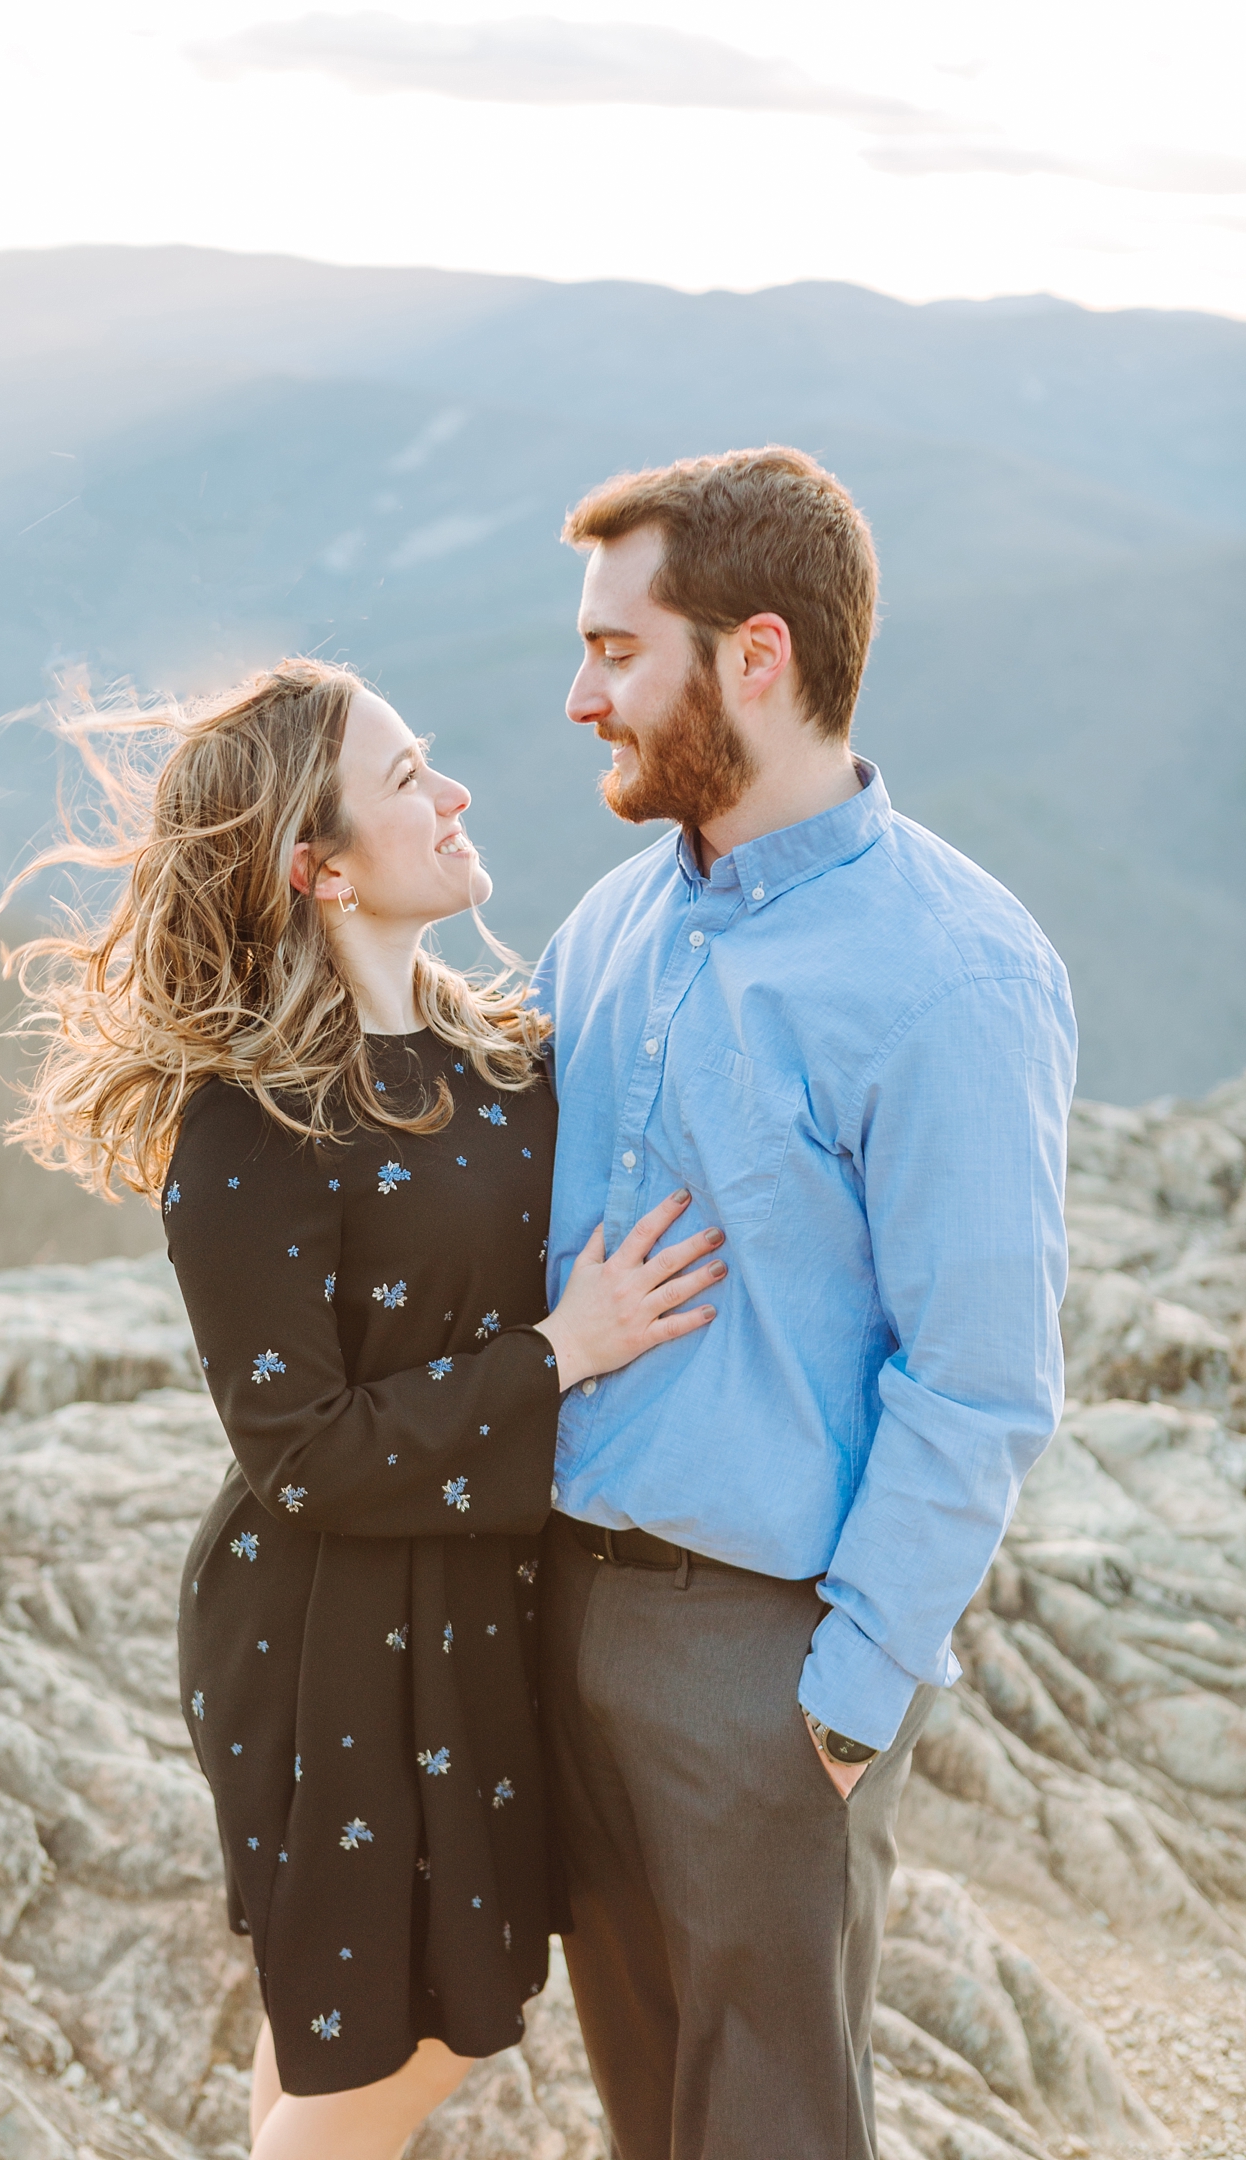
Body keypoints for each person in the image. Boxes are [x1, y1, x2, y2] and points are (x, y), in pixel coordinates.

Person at [0, 657, 727, 2160]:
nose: (452, 795)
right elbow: (302, 1455)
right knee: (407, 2043)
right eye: (406, 783)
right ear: (316, 869)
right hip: (327, 1646)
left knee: (336, 2043)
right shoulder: (249, 1124)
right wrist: (558, 1353)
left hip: (480, 1616)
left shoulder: (503, 1057)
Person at [531, 449, 1077, 2160]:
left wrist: (847, 1700)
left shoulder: (954, 974)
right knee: (645, 2115)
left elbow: (980, 1381)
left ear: (752, 656)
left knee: (767, 2129)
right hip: (564, 1611)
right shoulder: (612, 923)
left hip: (767, 1661)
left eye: (620, 650)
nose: (580, 696)